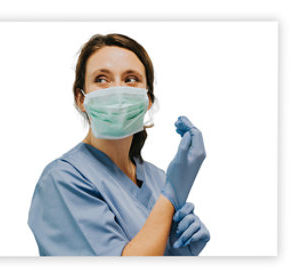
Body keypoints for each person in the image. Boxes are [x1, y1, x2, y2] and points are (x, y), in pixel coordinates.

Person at [27, 33, 210, 256]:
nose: (117, 91)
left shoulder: (158, 179)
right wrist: (171, 194)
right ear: (81, 98)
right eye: (102, 79)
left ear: (147, 99)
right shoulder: (62, 180)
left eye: (131, 79)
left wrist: (179, 255)